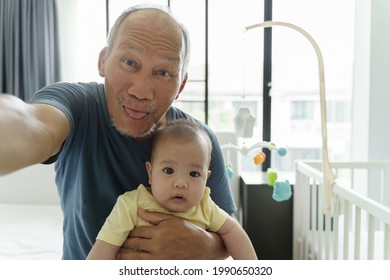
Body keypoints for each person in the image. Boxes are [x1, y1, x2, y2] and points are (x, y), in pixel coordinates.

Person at [0, 4, 236, 259]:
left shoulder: (200, 140)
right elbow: (31, 123)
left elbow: (228, 234)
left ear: (181, 85)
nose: (141, 91)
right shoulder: (77, 106)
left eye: (164, 73)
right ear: (103, 61)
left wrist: (206, 246)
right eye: (129, 62)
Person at [87, 120, 257, 260]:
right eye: (168, 171)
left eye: (194, 173)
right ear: (150, 172)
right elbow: (103, 249)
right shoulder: (131, 205)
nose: (181, 183)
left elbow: (234, 231)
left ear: (206, 178)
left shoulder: (206, 206)